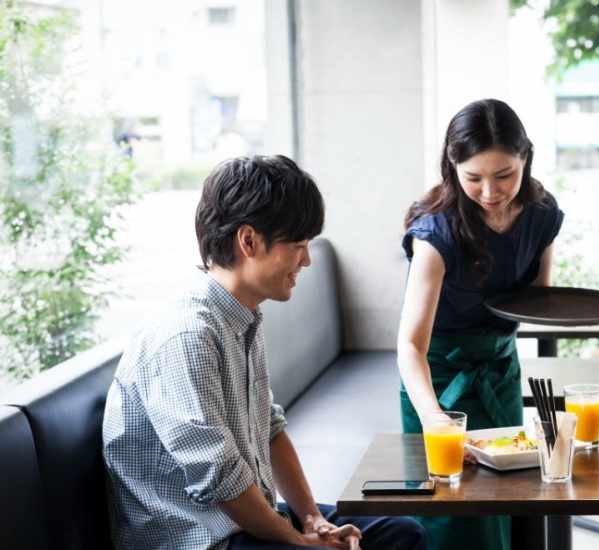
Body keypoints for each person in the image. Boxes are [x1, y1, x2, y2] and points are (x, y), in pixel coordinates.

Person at [103, 155, 426, 550]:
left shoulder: (243, 315)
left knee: (401, 533)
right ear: (249, 241)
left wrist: (312, 519)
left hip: (245, 522)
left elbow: (269, 429)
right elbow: (220, 478)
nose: (306, 260)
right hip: (203, 540)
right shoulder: (187, 336)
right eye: (299, 246)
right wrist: (300, 543)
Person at [397, 98, 564, 550]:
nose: (490, 191)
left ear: (524, 159)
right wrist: (434, 419)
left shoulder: (542, 215)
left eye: (504, 175)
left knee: (507, 494)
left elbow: (536, 301)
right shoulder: (436, 232)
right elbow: (410, 345)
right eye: (474, 178)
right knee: (449, 509)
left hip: (499, 370)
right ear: (453, 168)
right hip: (439, 376)